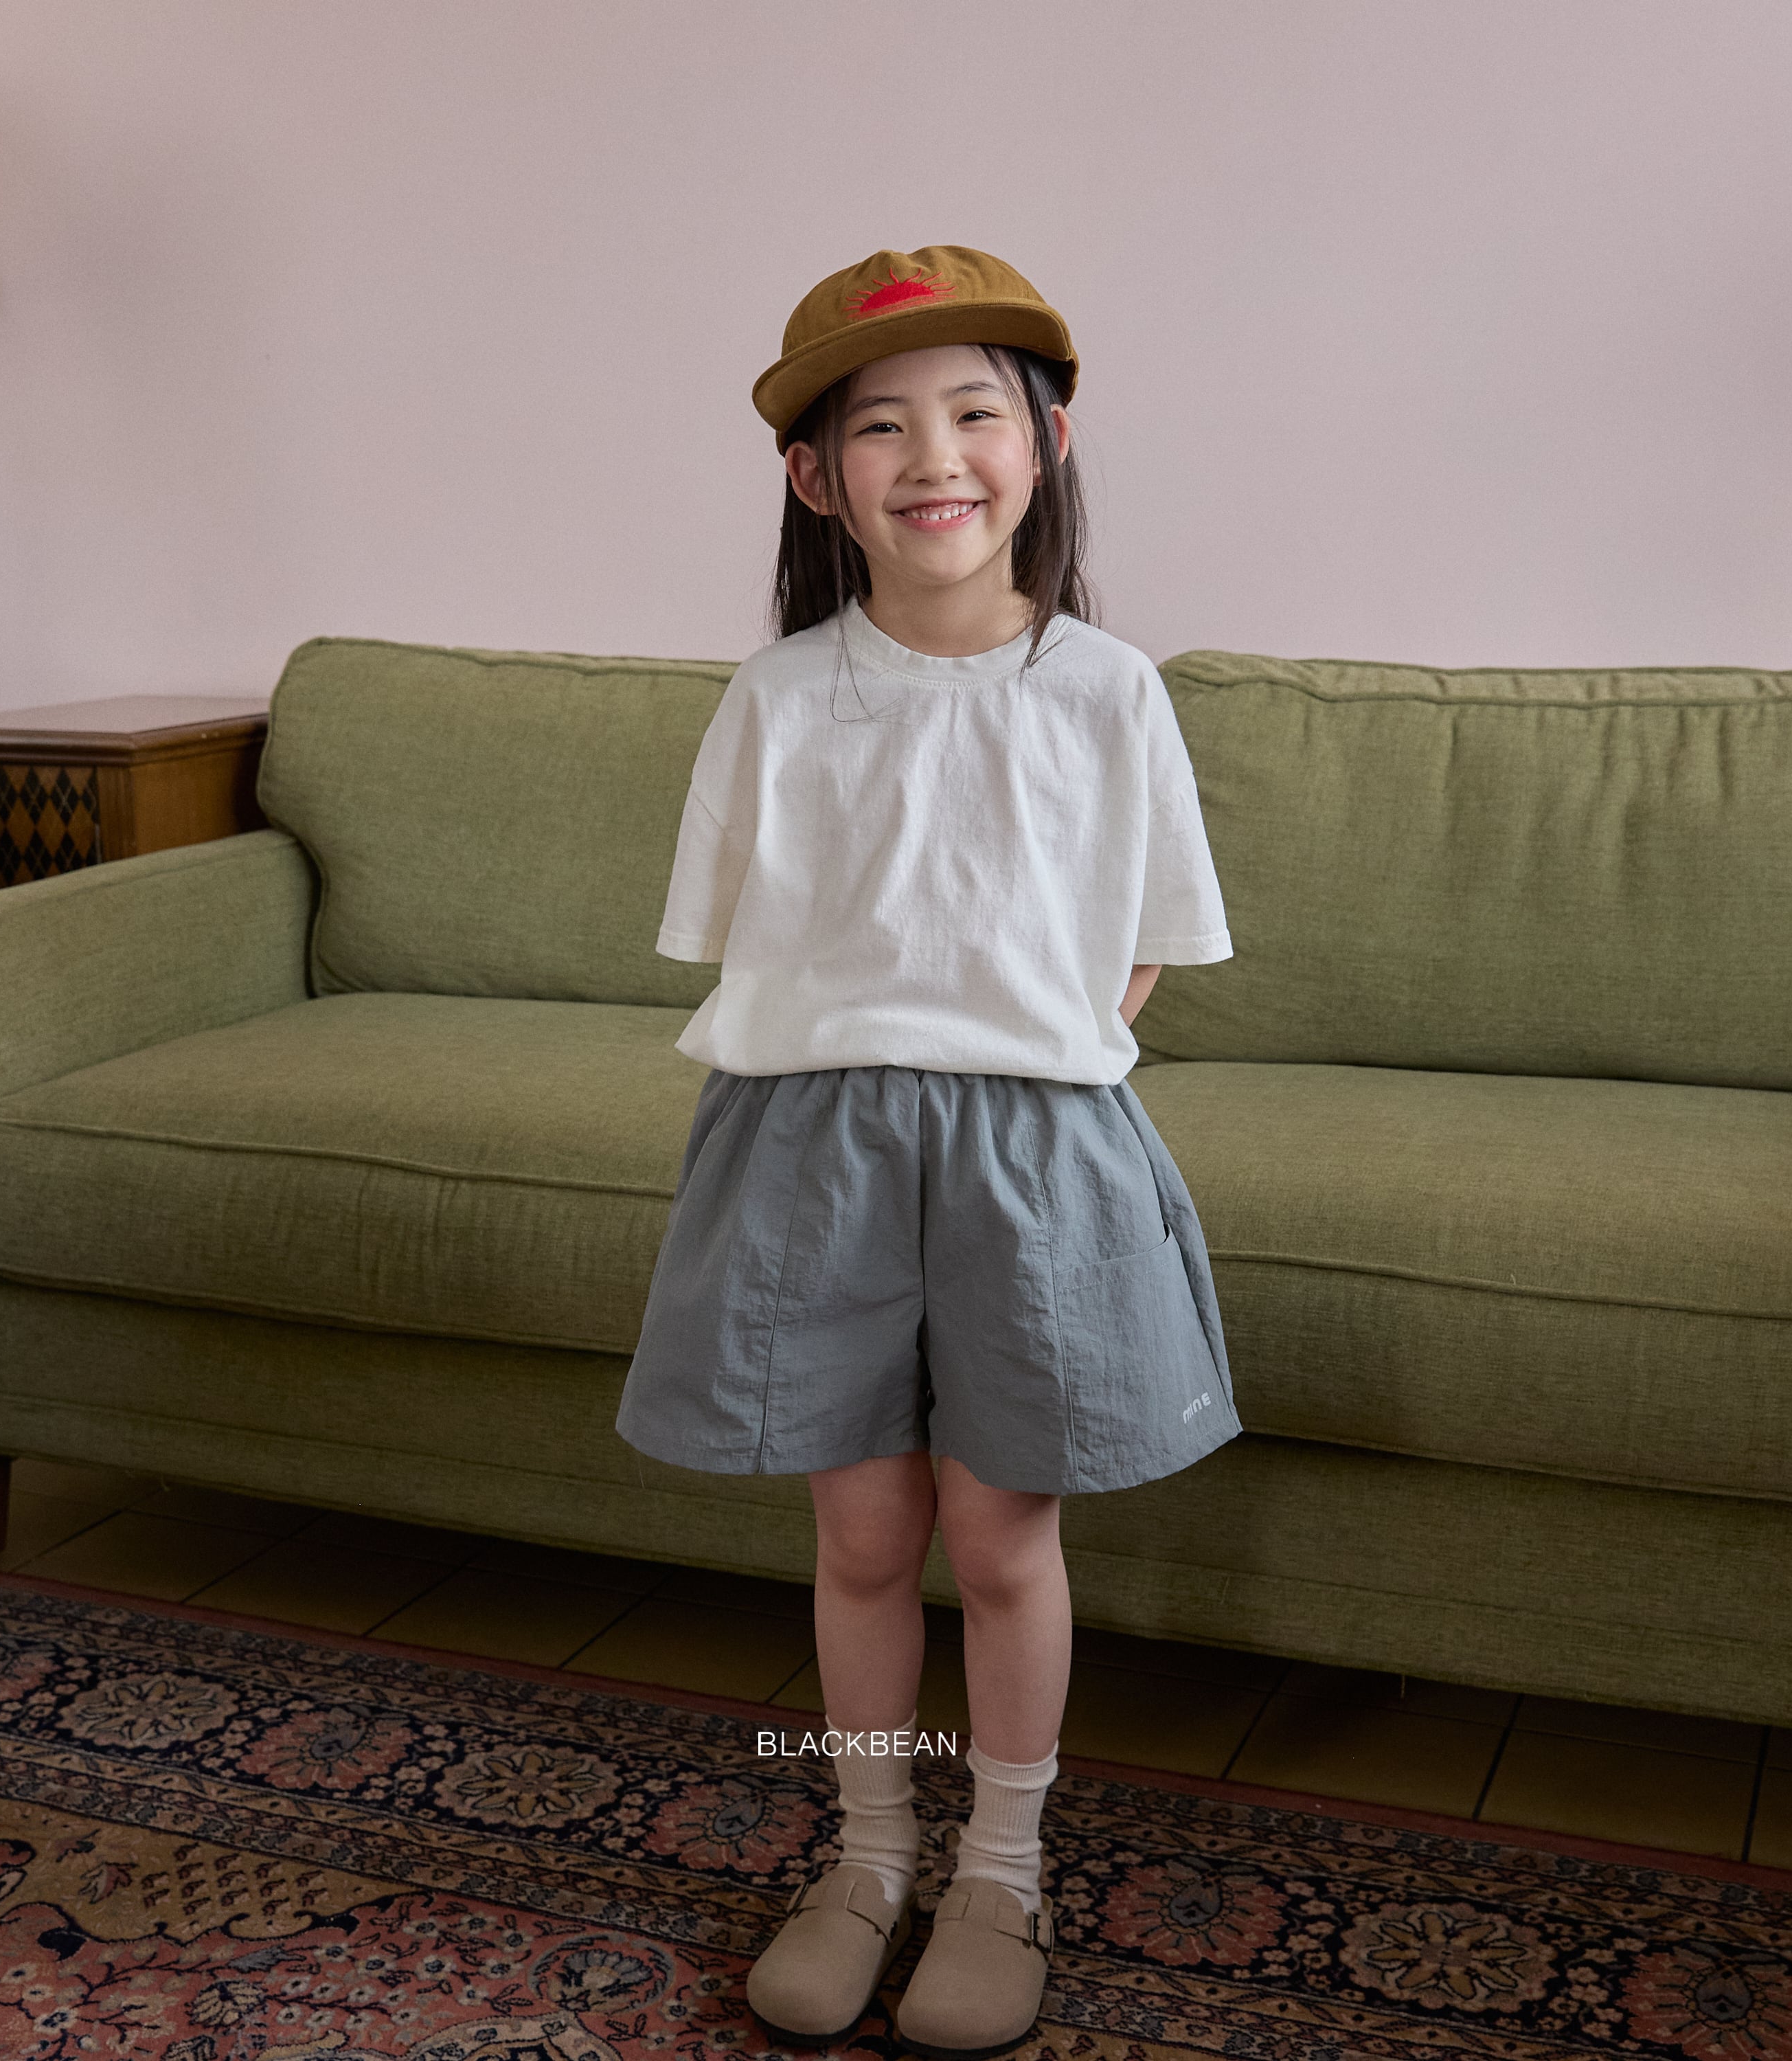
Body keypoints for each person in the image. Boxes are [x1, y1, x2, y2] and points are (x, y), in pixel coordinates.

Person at [615, 245, 1242, 2058]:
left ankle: (1003, 1871)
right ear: (816, 478)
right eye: (880, 425)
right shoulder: (779, 695)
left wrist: (1008, 1057)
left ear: (1046, 445)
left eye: (977, 412)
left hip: (1035, 1151)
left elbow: (1140, 947)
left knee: (1002, 1531)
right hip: (812, 1141)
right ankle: (872, 1849)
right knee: (865, 1527)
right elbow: (747, 937)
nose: (935, 455)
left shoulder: (1110, 691)